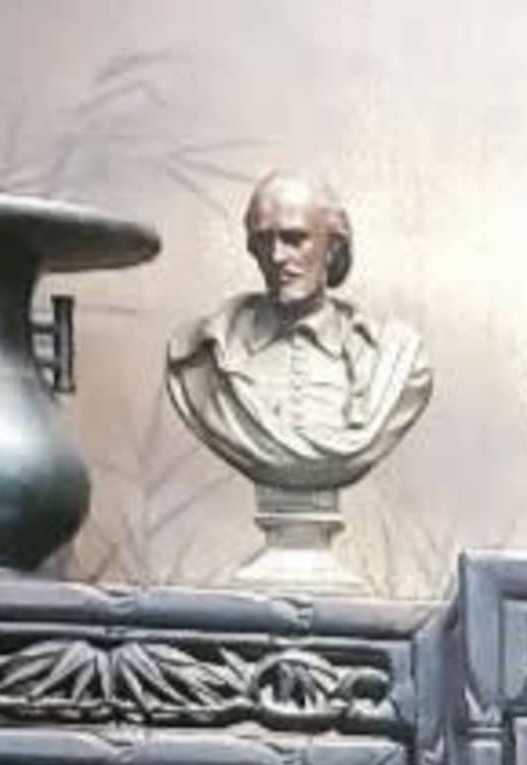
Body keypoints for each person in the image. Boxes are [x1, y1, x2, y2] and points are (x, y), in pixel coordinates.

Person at [162, 169, 432, 569]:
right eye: (263, 241)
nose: (277, 257)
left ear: (333, 246)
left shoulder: (398, 361)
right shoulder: (201, 359)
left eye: (294, 239)